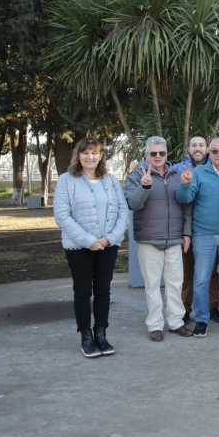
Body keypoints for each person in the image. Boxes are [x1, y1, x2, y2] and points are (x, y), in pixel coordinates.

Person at [53, 137, 129, 358]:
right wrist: (89, 241)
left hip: (108, 245)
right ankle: (86, 337)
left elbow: (123, 211)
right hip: (79, 246)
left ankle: (101, 334)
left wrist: (110, 238)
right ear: (78, 155)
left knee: (103, 290)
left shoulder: (111, 180)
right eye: (85, 152)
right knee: (83, 291)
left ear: (101, 156)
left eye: (95, 152)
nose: (90, 156)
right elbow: (62, 215)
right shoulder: (67, 180)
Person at [125, 136, 194, 341]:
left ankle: (176, 322)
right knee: (153, 285)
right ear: (146, 155)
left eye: (161, 153)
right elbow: (133, 204)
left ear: (166, 154)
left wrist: (187, 233)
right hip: (149, 239)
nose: (157, 157)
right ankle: (155, 325)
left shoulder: (178, 174)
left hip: (174, 238)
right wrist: (144, 187)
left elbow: (187, 205)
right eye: (153, 153)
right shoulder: (136, 175)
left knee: (175, 283)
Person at [176, 137, 219, 338]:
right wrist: (185, 185)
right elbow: (183, 198)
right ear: (208, 153)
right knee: (201, 279)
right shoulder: (199, 173)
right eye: (215, 152)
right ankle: (202, 319)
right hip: (203, 234)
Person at [172, 133, 219, 324]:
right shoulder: (178, 170)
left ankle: (213, 306)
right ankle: (185, 307)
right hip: (187, 228)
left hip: (209, 229)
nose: (198, 148)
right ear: (188, 149)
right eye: (194, 145)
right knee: (188, 270)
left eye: (201, 145)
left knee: (212, 271)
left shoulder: (216, 168)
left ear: (207, 149)